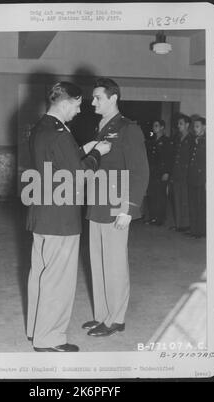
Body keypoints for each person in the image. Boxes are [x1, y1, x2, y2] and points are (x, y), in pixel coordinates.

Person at [25, 82, 111, 352]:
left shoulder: (43, 127)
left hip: (42, 214)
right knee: (58, 281)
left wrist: (85, 147)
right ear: (65, 102)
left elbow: (61, 160)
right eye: (77, 104)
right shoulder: (60, 133)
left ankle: (35, 330)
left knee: (40, 274)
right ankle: (49, 339)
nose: (79, 109)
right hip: (61, 218)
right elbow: (79, 173)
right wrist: (98, 153)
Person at [82, 78, 149, 337]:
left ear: (113, 98)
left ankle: (116, 319)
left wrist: (128, 209)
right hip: (97, 205)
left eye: (98, 97)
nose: (93, 101)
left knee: (115, 264)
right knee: (98, 263)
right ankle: (102, 315)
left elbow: (140, 171)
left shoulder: (128, 128)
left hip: (115, 206)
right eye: (93, 97)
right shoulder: (101, 127)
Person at [145, 119, 172, 226]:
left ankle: (160, 218)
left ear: (162, 127)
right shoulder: (152, 141)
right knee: (151, 195)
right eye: (153, 125)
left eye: (156, 125)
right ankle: (152, 217)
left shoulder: (166, 141)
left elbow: (169, 158)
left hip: (161, 172)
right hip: (152, 172)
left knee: (160, 196)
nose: (154, 127)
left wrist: (167, 172)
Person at [169, 114, 192, 232]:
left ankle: (186, 224)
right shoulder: (177, 138)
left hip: (186, 174)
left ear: (187, 125)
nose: (178, 126)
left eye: (181, 124)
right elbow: (174, 157)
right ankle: (179, 225)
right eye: (178, 124)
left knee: (185, 200)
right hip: (177, 173)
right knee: (177, 199)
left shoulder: (191, 139)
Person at [187, 117, 206, 238]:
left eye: (197, 126)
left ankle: (201, 231)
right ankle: (194, 230)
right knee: (193, 204)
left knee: (200, 205)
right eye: (194, 126)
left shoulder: (206, 141)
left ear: (204, 127)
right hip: (193, 177)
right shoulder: (195, 140)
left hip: (201, 178)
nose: (195, 129)